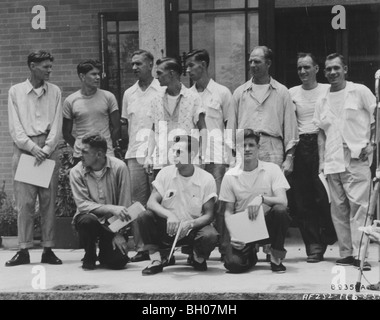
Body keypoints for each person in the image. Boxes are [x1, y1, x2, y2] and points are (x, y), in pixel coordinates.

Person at [313, 53, 376, 271]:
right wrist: (322, 161)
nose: (332, 73)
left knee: (360, 208)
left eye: (336, 68)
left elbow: (377, 117)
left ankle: (361, 255)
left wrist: (372, 145)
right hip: (332, 161)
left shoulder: (359, 91)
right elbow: (321, 132)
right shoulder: (322, 99)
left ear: (345, 69)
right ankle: (346, 253)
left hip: (357, 159)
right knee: (338, 210)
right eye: (328, 69)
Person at [6, 50, 63, 266]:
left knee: (48, 202)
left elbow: (57, 123)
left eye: (51, 66)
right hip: (24, 150)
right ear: (32, 66)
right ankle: (24, 250)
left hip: (48, 150)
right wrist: (31, 147)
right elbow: (14, 126)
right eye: (45, 66)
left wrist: (46, 149)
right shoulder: (16, 91)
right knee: (25, 203)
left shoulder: (55, 91)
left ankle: (48, 249)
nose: (50, 70)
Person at [137, 135, 218, 275]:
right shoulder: (165, 173)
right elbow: (151, 202)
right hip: (168, 227)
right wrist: (170, 215)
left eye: (179, 152)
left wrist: (191, 224)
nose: (174, 155)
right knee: (144, 216)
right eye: (173, 151)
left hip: (191, 230)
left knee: (210, 235)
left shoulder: (206, 178)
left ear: (191, 155)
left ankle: (196, 257)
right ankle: (157, 259)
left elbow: (209, 215)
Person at [220, 129, 291, 273]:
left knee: (280, 211)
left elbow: (283, 201)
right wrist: (234, 234)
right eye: (243, 145)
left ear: (258, 148)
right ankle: (250, 253)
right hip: (244, 227)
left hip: (267, 224)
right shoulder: (230, 176)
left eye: (251, 145)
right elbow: (227, 211)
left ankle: (276, 257)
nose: (247, 149)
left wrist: (262, 199)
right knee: (232, 265)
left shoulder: (272, 169)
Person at [289, 52, 336, 263]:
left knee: (325, 196)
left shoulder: (327, 90)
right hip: (301, 147)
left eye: (307, 67)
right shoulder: (291, 93)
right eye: (299, 68)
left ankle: (328, 234)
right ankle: (314, 247)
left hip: (324, 145)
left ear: (317, 69)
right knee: (303, 200)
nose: (302, 72)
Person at [185, 49, 232, 261]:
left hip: (217, 156)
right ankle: (194, 248)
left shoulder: (222, 93)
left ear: (203, 65)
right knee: (195, 202)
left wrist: (231, 158)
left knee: (221, 203)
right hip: (195, 159)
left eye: (191, 66)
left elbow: (230, 126)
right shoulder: (187, 95)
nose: (187, 70)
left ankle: (225, 248)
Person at [120, 50, 165, 263]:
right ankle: (141, 248)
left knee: (159, 201)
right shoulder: (129, 93)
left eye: (138, 63)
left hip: (158, 154)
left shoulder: (162, 90)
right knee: (137, 203)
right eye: (132, 64)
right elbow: (125, 124)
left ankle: (161, 246)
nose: (134, 68)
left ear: (150, 64)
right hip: (135, 154)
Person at [227, 45, 298, 172]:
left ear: (268, 63)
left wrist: (289, 158)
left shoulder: (282, 92)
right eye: (251, 62)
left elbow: (290, 129)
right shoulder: (239, 92)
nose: (253, 65)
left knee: (271, 189)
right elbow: (230, 129)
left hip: (272, 149)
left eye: (257, 61)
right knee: (246, 188)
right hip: (245, 147)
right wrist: (231, 158)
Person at [69, 133, 132, 270]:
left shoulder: (119, 168)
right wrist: (110, 208)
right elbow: (82, 205)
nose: (80, 155)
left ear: (99, 154)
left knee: (117, 262)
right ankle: (89, 253)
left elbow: (124, 204)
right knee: (86, 221)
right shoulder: (76, 172)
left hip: (113, 225)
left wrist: (119, 234)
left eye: (85, 152)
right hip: (90, 220)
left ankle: (105, 251)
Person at [144, 57, 207, 176]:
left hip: (186, 163)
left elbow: (203, 129)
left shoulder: (193, 98)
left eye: (159, 73)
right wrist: (149, 156)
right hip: (161, 163)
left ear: (172, 73)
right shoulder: (156, 100)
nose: (156, 77)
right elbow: (153, 130)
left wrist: (202, 155)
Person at [63, 59, 121, 165]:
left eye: (98, 74)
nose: (98, 77)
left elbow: (117, 127)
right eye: (93, 74)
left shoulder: (108, 97)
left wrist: (107, 144)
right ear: (82, 76)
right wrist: (78, 145)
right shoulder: (70, 101)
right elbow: (66, 133)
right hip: (81, 156)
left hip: (105, 153)